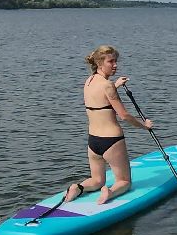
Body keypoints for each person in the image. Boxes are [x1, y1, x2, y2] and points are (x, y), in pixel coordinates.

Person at [63, 45, 152, 206]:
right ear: (99, 63)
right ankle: (109, 192)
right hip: (111, 141)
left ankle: (78, 187)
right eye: (111, 61)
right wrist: (144, 125)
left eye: (116, 61)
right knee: (124, 181)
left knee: (96, 180)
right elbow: (124, 116)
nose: (115, 65)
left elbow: (102, 96)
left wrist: (115, 85)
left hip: (93, 141)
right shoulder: (108, 86)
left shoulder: (89, 82)